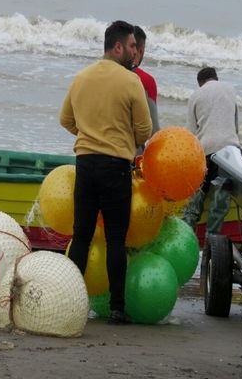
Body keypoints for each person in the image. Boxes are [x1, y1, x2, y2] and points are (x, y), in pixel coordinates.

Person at [59, 20, 152, 325]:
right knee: (115, 239)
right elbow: (144, 130)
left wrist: (88, 133)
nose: (135, 51)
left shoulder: (81, 77)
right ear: (117, 47)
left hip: (85, 163)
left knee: (82, 236)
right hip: (115, 166)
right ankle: (116, 307)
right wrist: (123, 138)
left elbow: (66, 120)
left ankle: (67, 300)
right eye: (132, 46)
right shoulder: (130, 82)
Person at [183, 67, 240, 234]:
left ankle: (187, 236)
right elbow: (235, 127)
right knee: (220, 201)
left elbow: (191, 132)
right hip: (230, 152)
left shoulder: (196, 94)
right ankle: (211, 241)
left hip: (205, 151)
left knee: (196, 199)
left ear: (200, 83)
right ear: (216, 78)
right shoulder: (230, 90)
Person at [132, 26, 160, 134]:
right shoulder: (146, 80)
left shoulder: (104, 74)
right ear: (141, 49)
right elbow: (154, 130)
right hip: (131, 149)